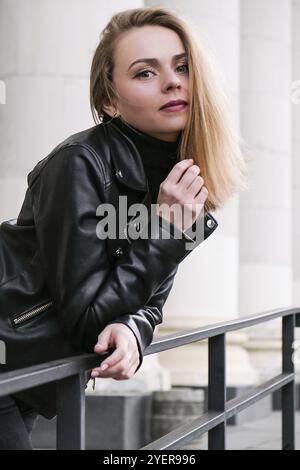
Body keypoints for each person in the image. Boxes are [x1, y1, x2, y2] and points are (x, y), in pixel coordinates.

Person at [0, 6, 247, 450]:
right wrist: (167, 230)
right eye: (145, 73)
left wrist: (134, 329)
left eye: (183, 66)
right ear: (110, 101)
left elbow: (150, 300)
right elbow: (86, 320)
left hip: (32, 372)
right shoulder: (79, 164)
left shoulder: (177, 181)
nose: (173, 81)